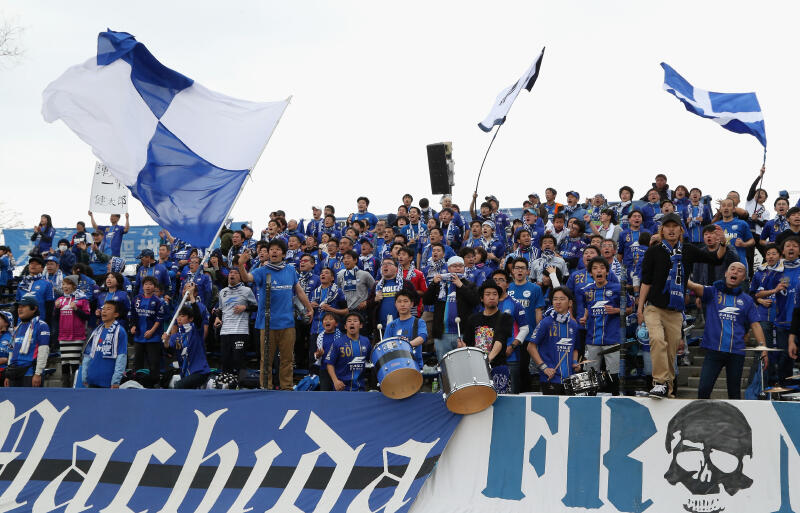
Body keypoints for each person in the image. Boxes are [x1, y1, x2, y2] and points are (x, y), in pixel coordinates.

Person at [638, 213, 728, 398]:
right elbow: (646, 282)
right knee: (657, 340)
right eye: (667, 226)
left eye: (675, 226)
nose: (671, 230)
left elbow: (716, 259)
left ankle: (668, 391)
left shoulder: (688, 250)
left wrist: (723, 243)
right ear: (662, 230)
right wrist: (640, 308)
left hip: (676, 310)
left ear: (681, 230)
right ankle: (660, 382)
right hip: (654, 307)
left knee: (671, 353)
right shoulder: (653, 251)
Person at [238, 238, 313, 390]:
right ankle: (266, 388)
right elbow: (246, 278)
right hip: (267, 324)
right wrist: (240, 264)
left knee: (287, 359)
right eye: (271, 249)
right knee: (266, 360)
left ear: (283, 254)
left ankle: (286, 388)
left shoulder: (290, 270)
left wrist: (309, 307)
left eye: (277, 249)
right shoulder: (262, 271)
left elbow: (298, 290)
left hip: (287, 323)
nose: (274, 251)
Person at [685, 262, 765, 399]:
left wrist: (763, 348)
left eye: (740, 270)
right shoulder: (712, 292)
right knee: (703, 390)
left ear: (744, 278)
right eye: (732, 269)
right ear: (726, 273)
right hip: (713, 350)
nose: (735, 272)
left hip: (736, 353)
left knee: (734, 394)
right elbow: (692, 285)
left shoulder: (747, 300)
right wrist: (676, 270)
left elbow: (756, 325)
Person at [578, 257, 624, 395]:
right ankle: (589, 401)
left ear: (607, 272)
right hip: (592, 339)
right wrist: (585, 317)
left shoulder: (617, 288)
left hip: (612, 339)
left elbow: (629, 308)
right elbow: (588, 307)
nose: (599, 271)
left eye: (602, 268)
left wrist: (616, 310)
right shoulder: (586, 291)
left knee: (613, 374)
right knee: (590, 375)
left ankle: (614, 400)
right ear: (590, 273)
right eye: (595, 268)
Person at [459, 281, 514, 394]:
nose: (492, 297)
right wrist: (461, 346)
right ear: (481, 298)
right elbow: (467, 343)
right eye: (488, 294)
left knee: (500, 401)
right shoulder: (473, 319)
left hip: (498, 367)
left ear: (498, 298)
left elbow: (499, 341)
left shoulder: (505, 317)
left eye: (495, 294)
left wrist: (487, 360)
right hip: (476, 369)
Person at [423, 256, 480, 361]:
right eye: (454, 266)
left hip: (463, 333)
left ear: (464, 268)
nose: (458, 268)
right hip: (442, 334)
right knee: (444, 365)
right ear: (448, 268)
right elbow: (427, 301)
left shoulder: (470, 285)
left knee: (464, 364)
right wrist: (433, 284)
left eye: (460, 266)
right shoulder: (441, 284)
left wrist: (461, 286)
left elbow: (475, 301)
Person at [529, 287, 581, 395]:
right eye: (555, 299)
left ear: (570, 303)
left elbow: (575, 348)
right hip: (550, 378)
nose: (558, 302)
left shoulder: (574, 325)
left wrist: (575, 363)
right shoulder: (545, 322)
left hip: (569, 380)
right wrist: (544, 368)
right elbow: (530, 347)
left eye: (562, 299)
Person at [489, 270, 529, 394]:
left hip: (510, 356)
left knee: (511, 394)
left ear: (507, 284)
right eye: (495, 280)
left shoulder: (515, 304)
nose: (497, 283)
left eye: (501, 280)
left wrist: (512, 346)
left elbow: (525, 329)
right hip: (489, 357)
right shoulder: (485, 304)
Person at [163, 287, 211, 389]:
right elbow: (170, 351)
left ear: (191, 318)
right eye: (178, 316)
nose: (179, 318)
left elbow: (198, 317)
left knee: (178, 386)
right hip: (185, 372)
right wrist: (166, 342)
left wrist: (192, 297)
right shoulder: (175, 336)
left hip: (200, 371)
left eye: (182, 316)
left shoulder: (196, 330)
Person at [215, 268, 257, 376]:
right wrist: (217, 317)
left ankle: (240, 384)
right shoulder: (222, 292)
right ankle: (227, 383)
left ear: (240, 277)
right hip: (225, 332)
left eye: (235, 273)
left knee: (238, 361)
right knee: (225, 362)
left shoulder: (247, 290)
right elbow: (221, 309)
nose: (232, 274)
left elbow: (256, 307)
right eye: (230, 273)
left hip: (240, 331)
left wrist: (245, 307)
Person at [4, 295, 50, 387]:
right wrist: (8, 375)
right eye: (19, 307)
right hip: (14, 373)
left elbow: (43, 351)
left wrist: (38, 373)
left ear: (34, 309)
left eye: (24, 306)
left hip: (30, 373)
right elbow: (11, 352)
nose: (20, 309)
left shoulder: (41, 326)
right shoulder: (18, 327)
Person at [129, 276, 167, 387]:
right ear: (142, 286)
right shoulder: (136, 299)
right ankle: (136, 383)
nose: (148, 286)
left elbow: (159, 319)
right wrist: (133, 326)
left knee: (153, 363)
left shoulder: (158, 301)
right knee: (137, 362)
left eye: (150, 284)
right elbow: (133, 315)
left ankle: (154, 384)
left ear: (154, 287)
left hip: (153, 338)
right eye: (146, 284)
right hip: (139, 337)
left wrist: (151, 331)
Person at [81, 300, 127, 388]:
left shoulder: (120, 331)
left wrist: (116, 380)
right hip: (92, 379)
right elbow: (88, 354)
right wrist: (84, 375)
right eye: (103, 309)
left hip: (108, 381)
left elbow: (121, 356)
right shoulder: (96, 331)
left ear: (116, 314)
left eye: (108, 309)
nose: (104, 311)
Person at [54, 276, 90, 387]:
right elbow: (55, 318)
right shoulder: (60, 300)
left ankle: (75, 386)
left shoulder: (82, 299)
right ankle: (65, 387)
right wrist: (56, 309)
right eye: (63, 284)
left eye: (68, 284)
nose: (65, 287)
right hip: (63, 336)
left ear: (74, 286)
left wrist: (76, 309)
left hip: (77, 336)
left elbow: (87, 316)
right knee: (64, 362)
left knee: (74, 362)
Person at [774, 236, 800, 383]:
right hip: (782, 322)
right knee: (784, 357)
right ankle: (785, 389)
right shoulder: (775, 271)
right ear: (782, 251)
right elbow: (761, 292)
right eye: (788, 245)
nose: (791, 248)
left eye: (795, 246)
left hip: (798, 321)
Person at [325, 312, 371, 391]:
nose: (352, 323)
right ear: (345, 326)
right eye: (349, 321)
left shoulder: (366, 341)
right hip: (342, 389)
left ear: (360, 325)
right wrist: (335, 381)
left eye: (355, 321)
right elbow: (329, 364)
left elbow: (371, 360)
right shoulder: (338, 343)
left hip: (360, 389)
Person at [385, 290, 428, 370]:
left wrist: (406, 345)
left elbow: (422, 337)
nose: (402, 304)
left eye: (405, 301)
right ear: (395, 304)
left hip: (415, 366)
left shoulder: (419, 322)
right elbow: (386, 345)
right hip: (395, 367)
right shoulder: (391, 325)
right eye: (399, 301)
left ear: (411, 304)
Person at [715, 198, 755, 275]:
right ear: (720, 209)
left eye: (729, 205)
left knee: (742, 283)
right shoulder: (715, 226)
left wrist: (743, 244)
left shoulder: (742, 223)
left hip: (739, 262)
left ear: (733, 209)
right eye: (723, 206)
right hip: (721, 264)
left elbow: (752, 241)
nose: (726, 208)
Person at [16, 256, 55, 325]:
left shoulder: (47, 283)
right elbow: (17, 303)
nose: (33, 265)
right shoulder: (22, 283)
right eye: (31, 263)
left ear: (42, 268)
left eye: (37, 264)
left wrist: (47, 323)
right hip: (22, 322)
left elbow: (50, 305)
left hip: (39, 321)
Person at [313, 313, 343, 390]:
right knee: (324, 391)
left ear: (336, 324)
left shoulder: (341, 336)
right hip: (324, 369)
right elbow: (316, 353)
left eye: (330, 319)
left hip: (338, 369)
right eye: (325, 319)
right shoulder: (320, 337)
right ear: (322, 324)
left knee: (338, 391)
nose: (327, 321)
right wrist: (318, 355)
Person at [0, 311, 12, 383]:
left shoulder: (10, 338)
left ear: (6, 322)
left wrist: (6, 360)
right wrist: (5, 359)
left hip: (5, 374)